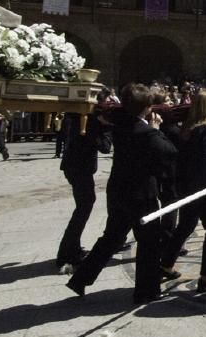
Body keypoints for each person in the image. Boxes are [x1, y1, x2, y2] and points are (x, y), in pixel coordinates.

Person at [67, 83, 178, 304]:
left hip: (118, 190)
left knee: (112, 237)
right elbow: (168, 153)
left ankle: (81, 278)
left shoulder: (122, 124)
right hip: (141, 194)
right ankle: (146, 291)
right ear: (147, 108)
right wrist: (156, 130)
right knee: (148, 241)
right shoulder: (146, 132)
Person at [161, 90, 206, 292]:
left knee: (186, 224)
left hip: (188, 185)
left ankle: (166, 263)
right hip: (204, 188)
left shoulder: (188, 127)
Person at [55, 111, 112, 269]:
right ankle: (66, 253)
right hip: (80, 168)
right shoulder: (91, 121)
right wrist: (106, 128)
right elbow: (105, 148)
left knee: (84, 205)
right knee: (84, 207)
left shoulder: (78, 116)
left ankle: (72, 247)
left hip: (73, 166)